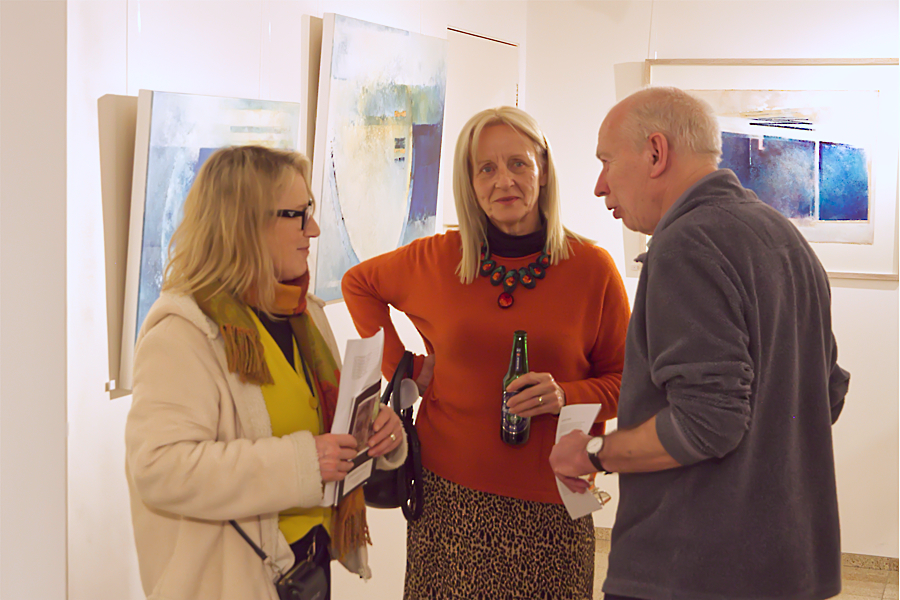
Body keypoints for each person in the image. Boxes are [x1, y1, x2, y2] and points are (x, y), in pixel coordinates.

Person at [550, 87, 850, 600]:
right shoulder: (784, 237)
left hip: (692, 573)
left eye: (606, 161)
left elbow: (707, 423)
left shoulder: (686, 245)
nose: (600, 186)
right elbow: (828, 395)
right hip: (789, 566)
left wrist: (593, 453)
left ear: (656, 152)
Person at [342, 106, 631, 599]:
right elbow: (358, 284)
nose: (504, 181)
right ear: (470, 183)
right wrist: (406, 370)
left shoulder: (591, 269)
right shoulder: (438, 258)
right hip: (448, 499)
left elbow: (627, 383)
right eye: (486, 168)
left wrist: (565, 395)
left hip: (553, 506)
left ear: (543, 170)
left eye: (518, 164)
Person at [125, 145, 407, 600]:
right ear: (247, 223)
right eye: (299, 215)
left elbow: (328, 432)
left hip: (305, 569)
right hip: (231, 583)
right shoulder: (182, 335)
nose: (314, 230)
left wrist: (376, 432)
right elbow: (159, 468)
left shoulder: (304, 316)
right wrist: (302, 463)